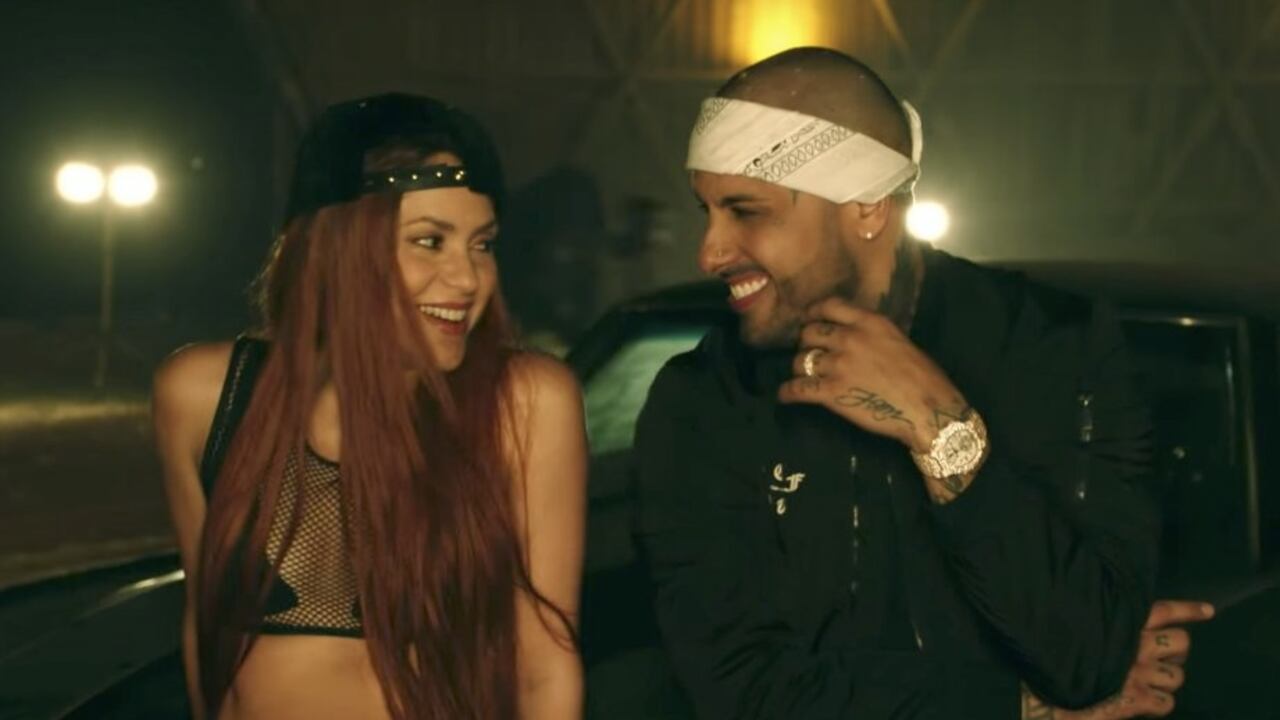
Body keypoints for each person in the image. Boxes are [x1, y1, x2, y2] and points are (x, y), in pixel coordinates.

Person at [632, 47, 1213, 718]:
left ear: (866, 206)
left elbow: (1085, 654)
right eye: (706, 211)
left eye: (745, 211)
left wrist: (943, 430)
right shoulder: (704, 399)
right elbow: (745, 689)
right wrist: (1019, 705)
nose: (709, 251)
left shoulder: (1057, 346)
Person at [153, 94, 586, 720]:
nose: (468, 279)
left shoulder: (525, 401)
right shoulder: (204, 394)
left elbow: (545, 664)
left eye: (482, 245)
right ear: (339, 246)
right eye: (430, 241)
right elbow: (205, 629)